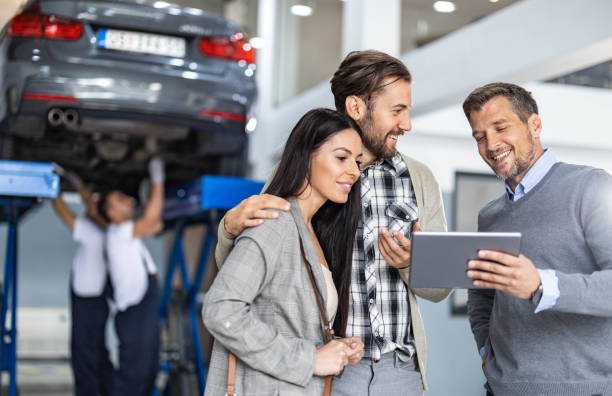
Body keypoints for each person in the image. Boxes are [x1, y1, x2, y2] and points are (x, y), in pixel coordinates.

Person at [214, 50, 451, 395]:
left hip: (401, 373)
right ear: (356, 107)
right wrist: (230, 228)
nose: (407, 124)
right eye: (397, 111)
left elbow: (440, 289)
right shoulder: (303, 175)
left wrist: (413, 265)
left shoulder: (420, 179)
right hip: (327, 370)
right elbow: (242, 274)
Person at [463, 82, 612, 396]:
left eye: (500, 127)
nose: (491, 144)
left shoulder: (593, 188)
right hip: (502, 389)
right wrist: (484, 351)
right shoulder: (489, 216)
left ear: (535, 125)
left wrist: (541, 285)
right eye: (480, 136)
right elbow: (481, 297)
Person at [202, 108, 365, 395]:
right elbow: (220, 309)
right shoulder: (274, 224)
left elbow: (284, 319)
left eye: (357, 160)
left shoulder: (312, 232)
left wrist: (335, 346)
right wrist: (311, 359)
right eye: (342, 157)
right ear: (306, 156)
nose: (354, 170)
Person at [97, 158, 165, 396]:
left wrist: (148, 209)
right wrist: (157, 180)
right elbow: (150, 221)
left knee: (146, 377)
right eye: (120, 200)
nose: (127, 199)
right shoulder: (118, 233)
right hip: (135, 317)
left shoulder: (125, 234)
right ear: (112, 214)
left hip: (141, 314)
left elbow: (155, 226)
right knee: (131, 382)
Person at [52, 166, 113, 396]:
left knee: (85, 361)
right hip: (95, 305)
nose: (90, 207)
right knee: (97, 356)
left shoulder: (92, 233)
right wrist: (78, 184)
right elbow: (93, 207)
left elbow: (62, 211)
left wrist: (52, 188)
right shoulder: (105, 231)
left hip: (88, 307)